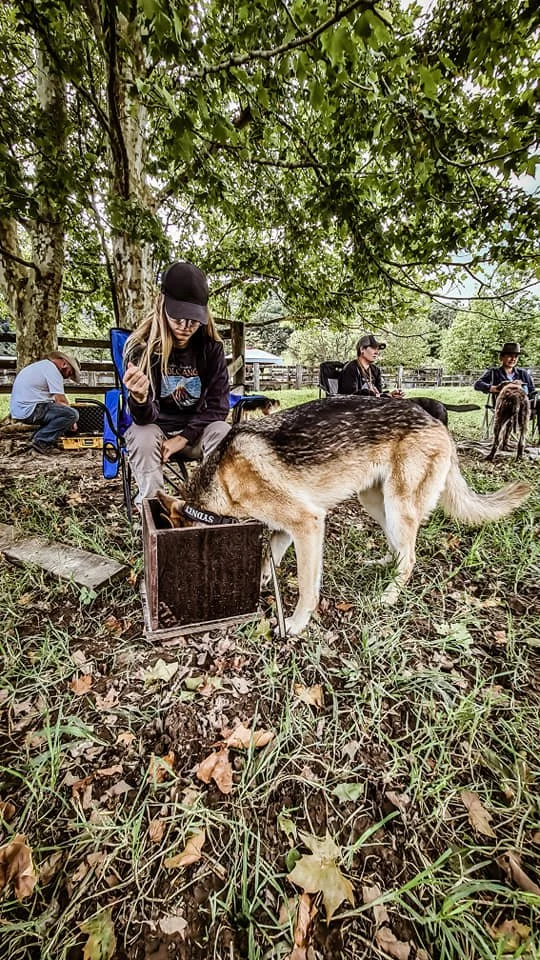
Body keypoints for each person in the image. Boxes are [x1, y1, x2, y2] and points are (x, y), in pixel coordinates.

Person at [122, 261, 230, 506]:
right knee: (142, 435)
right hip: (155, 430)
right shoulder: (140, 348)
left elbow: (218, 406)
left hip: (196, 432)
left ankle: (215, 507)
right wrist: (139, 398)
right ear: (162, 305)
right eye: (178, 317)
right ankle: (154, 510)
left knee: (223, 431)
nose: (185, 326)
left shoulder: (211, 348)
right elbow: (142, 418)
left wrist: (183, 438)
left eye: (193, 319)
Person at [9, 351, 81, 455]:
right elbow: (60, 400)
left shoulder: (43, 366)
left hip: (21, 409)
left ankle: (35, 438)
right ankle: (41, 442)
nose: (69, 377)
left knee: (56, 411)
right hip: (31, 409)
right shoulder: (52, 370)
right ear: (64, 364)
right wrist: (73, 421)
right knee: (71, 414)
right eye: (71, 372)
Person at [338, 334, 403, 398]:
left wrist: (390, 395)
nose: (377, 352)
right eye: (373, 348)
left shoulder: (376, 370)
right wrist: (373, 394)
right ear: (362, 349)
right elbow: (350, 398)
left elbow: (379, 395)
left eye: (378, 349)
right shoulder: (351, 368)